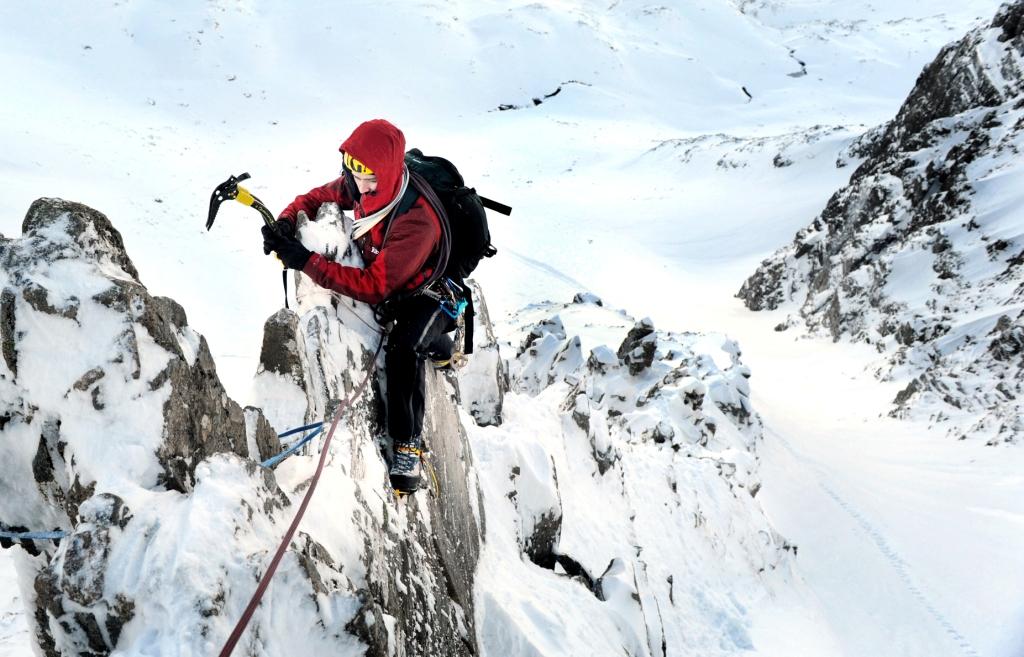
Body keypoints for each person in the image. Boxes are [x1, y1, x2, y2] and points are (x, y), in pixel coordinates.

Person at [261, 119, 455, 494]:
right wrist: (286, 222)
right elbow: (316, 198)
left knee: (405, 346)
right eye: (354, 174)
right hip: (392, 278)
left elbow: (375, 286)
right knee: (408, 336)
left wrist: (305, 261)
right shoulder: (366, 183)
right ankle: (442, 347)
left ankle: (407, 445)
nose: (359, 187)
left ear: (385, 173)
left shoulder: (418, 222)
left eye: (368, 180)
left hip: (424, 292)